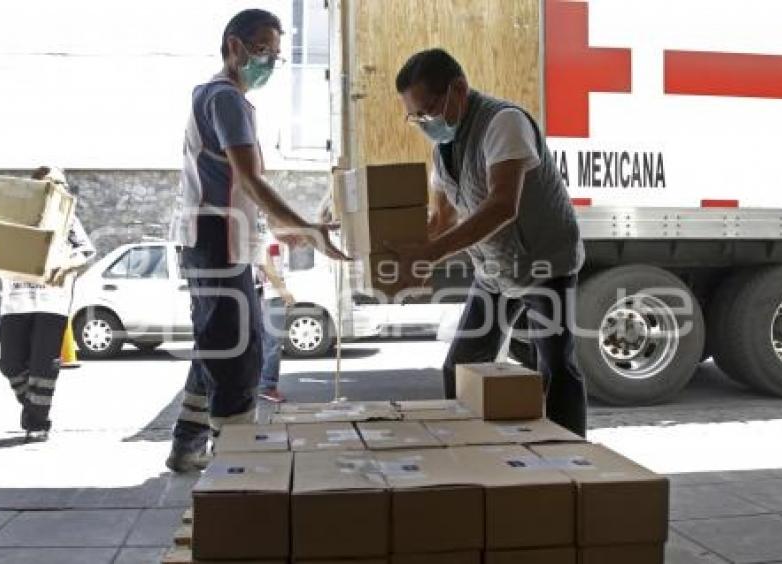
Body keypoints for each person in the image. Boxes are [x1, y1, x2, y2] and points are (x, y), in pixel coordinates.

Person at [166, 8, 347, 472]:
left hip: (220, 238)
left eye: (275, 55)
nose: (269, 61)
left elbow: (236, 186)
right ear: (234, 47)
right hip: (216, 239)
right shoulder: (225, 98)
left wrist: (287, 229)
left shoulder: (217, 97)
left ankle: (187, 442)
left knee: (215, 343)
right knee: (238, 355)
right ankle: (236, 465)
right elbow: (247, 180)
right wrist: (303, 226)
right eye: (263, 50)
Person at [391, 49, 587, 437]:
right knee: (460, 365)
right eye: (416, 116)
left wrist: (431, 254)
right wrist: (392, 251)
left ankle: (574, 467)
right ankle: (468, 452)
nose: (425, 123)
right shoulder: (442, 151)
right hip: (494, 270)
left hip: (543, 264)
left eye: (428, 110)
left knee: (555, 367)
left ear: (458, 89)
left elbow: (502, 207)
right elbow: (441, 220)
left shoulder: (504, 123)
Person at [0, 166, 95, 440]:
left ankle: (37, 423)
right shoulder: (14, 217)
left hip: (51, 302)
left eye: (61, 183)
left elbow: (86, 251)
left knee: (43, 365)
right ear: (35, 187)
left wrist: (68, 264)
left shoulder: (68, 219)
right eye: (50, 182)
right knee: (11, 362)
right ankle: (34, 410)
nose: (57, 188)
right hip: (15, 302)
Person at [256, 236, 295, 403]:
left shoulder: (274, 239)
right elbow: (266, 265)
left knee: (267, 342)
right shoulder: (271, 240)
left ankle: (263, 385)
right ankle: (267, 386)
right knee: (273, 342)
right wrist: (283, 292)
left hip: (267, 293)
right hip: (272, 294)